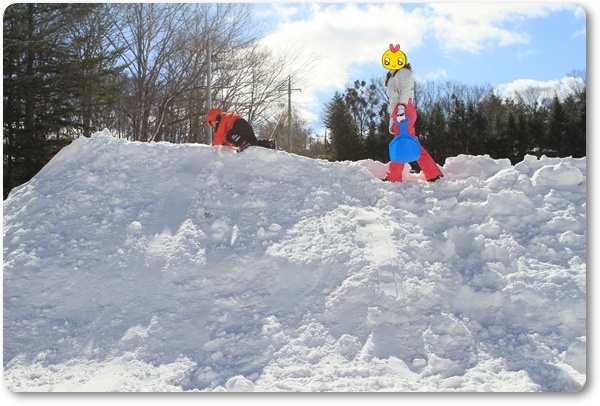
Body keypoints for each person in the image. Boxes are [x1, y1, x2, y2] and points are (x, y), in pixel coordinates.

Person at [384, 63, 443, 182]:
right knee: (408, 142)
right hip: (398, 110)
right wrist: (392, 118)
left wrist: (402, 108)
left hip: (404, 108)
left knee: (404, 143)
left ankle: (393, 177)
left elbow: (406, 88)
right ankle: (432, 173)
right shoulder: (391, 75)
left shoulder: (404, 72)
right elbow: (392, 100)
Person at [206, 108, 275, 150]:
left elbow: (219, 134)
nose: (213, 126)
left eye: (212, 123)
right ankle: (268, 144)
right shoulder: (225, 117)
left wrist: (214, 145)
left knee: (229, 136)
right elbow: (226, 139)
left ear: (212, 118)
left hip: (238, 126)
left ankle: (243, 144)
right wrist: (226, 145)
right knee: (253, 143)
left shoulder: (220, 117)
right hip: (244, 126)